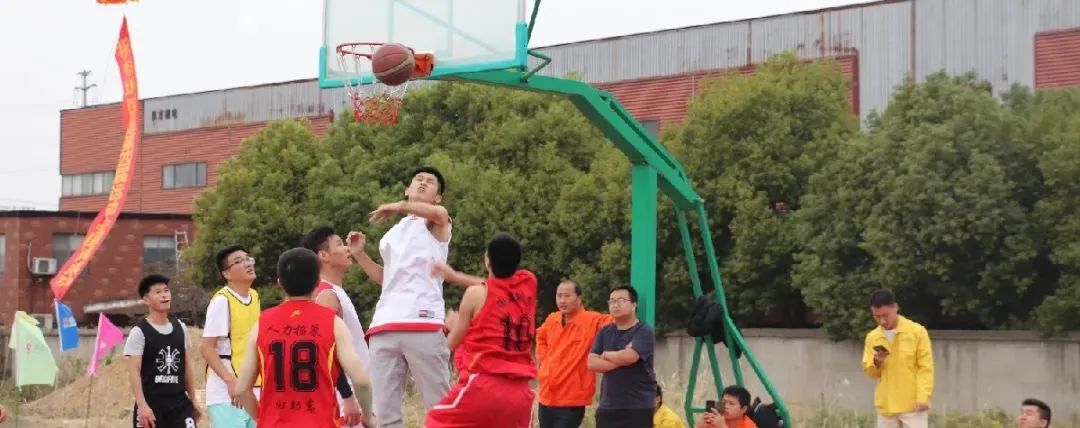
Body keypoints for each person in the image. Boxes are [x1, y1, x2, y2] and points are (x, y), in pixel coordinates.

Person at [351, 166, 454, 428]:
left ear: (437, 197)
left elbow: (440, 214)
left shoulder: (435, 222)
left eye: (430, 182)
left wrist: (398, 206)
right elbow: (387, 279)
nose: (423, 183)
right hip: (384, 325)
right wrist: (360, 254)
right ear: (407, 189)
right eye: (418, 179)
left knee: (440, 408)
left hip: (423, 321)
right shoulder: (392, 234)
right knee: (384, 413)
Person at [231, 248, 374, 428]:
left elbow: (242, 389)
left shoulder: (262, 323)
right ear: (317, 282)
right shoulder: (332, 322)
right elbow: (361, 382)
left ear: (279, 283)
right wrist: (367, 415)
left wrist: (262, 419)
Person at [423, 232, 537, 427]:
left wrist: (453, 326)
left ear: (487, 261)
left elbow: (452, 343)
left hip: (484, 383)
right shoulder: (529, 283)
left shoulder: (474, 294)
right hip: (520, 393)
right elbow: (498, 286)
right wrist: (456, 277)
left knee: (435, 421)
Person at [302, 226, 370, 427]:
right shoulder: (325, 295)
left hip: (358, 393)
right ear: (323, 255)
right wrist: (347, 397)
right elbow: (324, 351)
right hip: (346, 400)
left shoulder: (336, 292)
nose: (347, 249)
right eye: (339, 244)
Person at [124, 274, 202, 428]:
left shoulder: (181, 328)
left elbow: (187, 366)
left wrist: (193, 399)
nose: (164, 295)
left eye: (166, 290)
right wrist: (142, 406)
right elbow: (133, 372)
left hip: (180, 405)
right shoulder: (139, 332)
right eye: (158, 292)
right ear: (146, 299)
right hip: (152, 406)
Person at [536, 280, 612, 428]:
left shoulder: (592, 320)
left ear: (579, 298)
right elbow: (540, 336)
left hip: (572, 399)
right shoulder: (552, 319)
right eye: (559, 296)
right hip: (546, 396)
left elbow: (618, 321)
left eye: (567, 296)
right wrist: (543, 360)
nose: (562, 300)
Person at [200, 245, 261, 428]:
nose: (247, 264)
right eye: (239, 261)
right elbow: (206, 348)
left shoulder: (254, 296)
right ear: (226, 273)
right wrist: (230, 380)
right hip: (226, 393)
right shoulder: (222, 301)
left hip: (253, 388)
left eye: (248, 259)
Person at [861, 289, 934, 428]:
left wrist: (923, 397)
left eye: (885, 316)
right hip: (886, 407)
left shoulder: (917, 332)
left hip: (913, 406)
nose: (882, 321)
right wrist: (877, 362)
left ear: (895, 307)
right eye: (877, 317)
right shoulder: (873, 337)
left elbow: (925, 368)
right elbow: (871, 373)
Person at [587, 285, 657, 428]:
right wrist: (622, 357)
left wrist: (606, 355)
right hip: (608, 407)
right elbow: (591, 363)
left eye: (621, 300)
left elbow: (630, 357)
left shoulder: (643, 331)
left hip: (637, 407)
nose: (615, 305)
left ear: (634, 305)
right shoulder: (604, 332)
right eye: (612, 301)